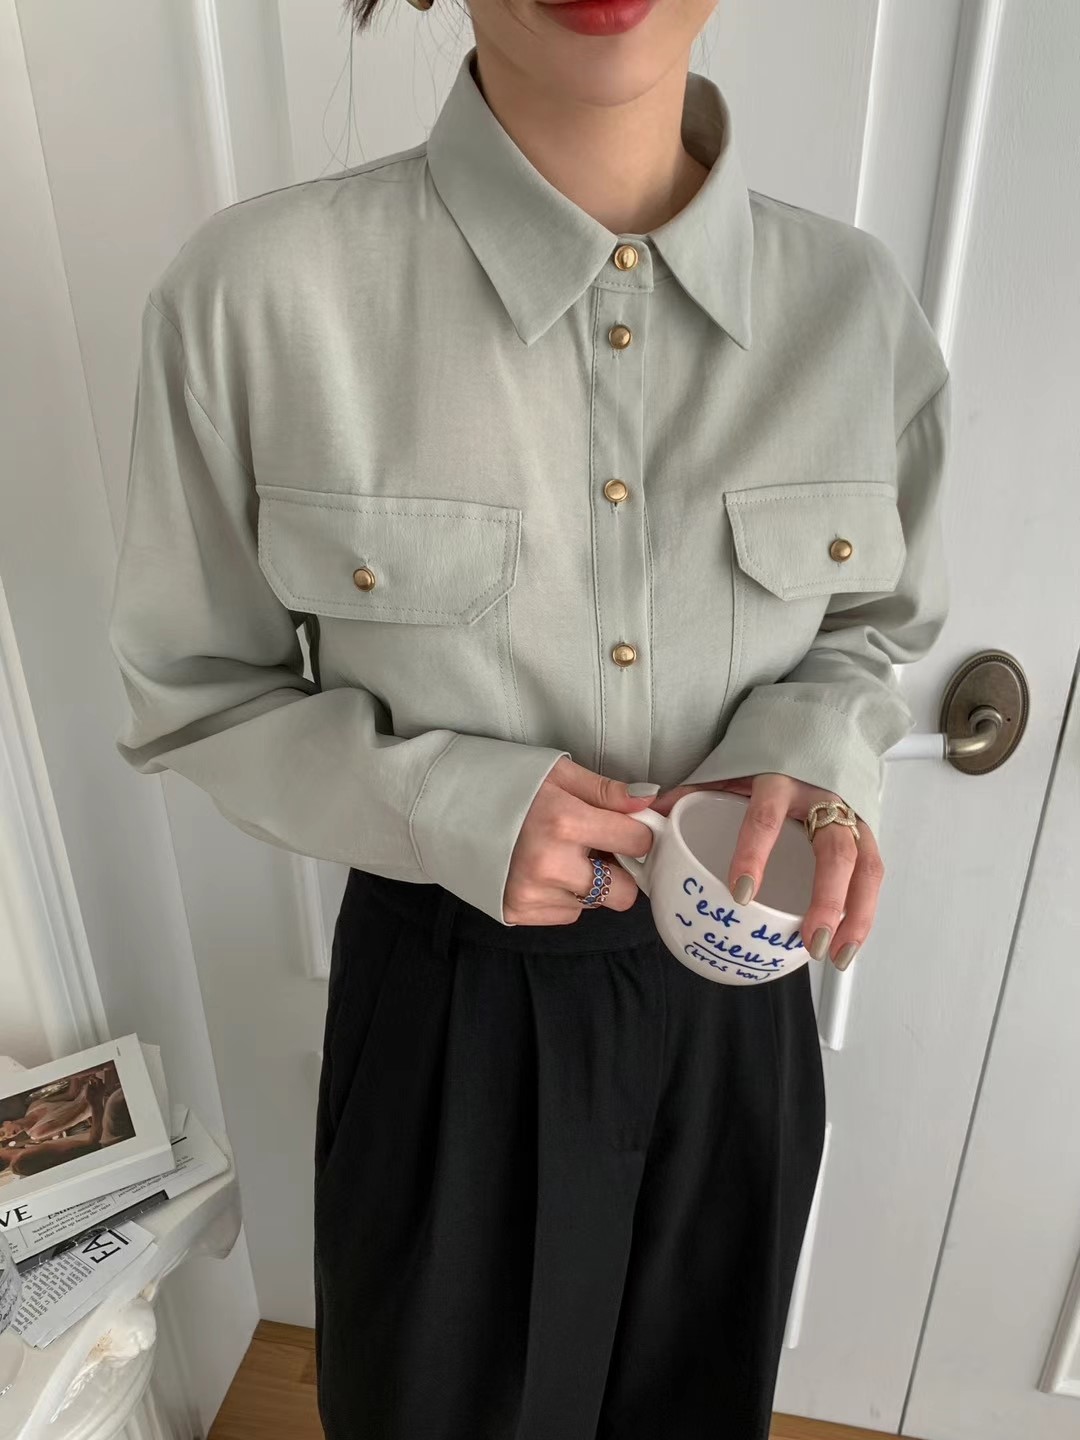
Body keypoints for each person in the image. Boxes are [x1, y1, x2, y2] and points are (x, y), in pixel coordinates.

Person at [106, 0, 951, 1433]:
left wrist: (814, 761)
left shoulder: (855, 308)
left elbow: (871, 624)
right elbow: (194, 690)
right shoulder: (258, 299)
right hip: (449, 1017)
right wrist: (450, 804)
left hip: (739, 1017)